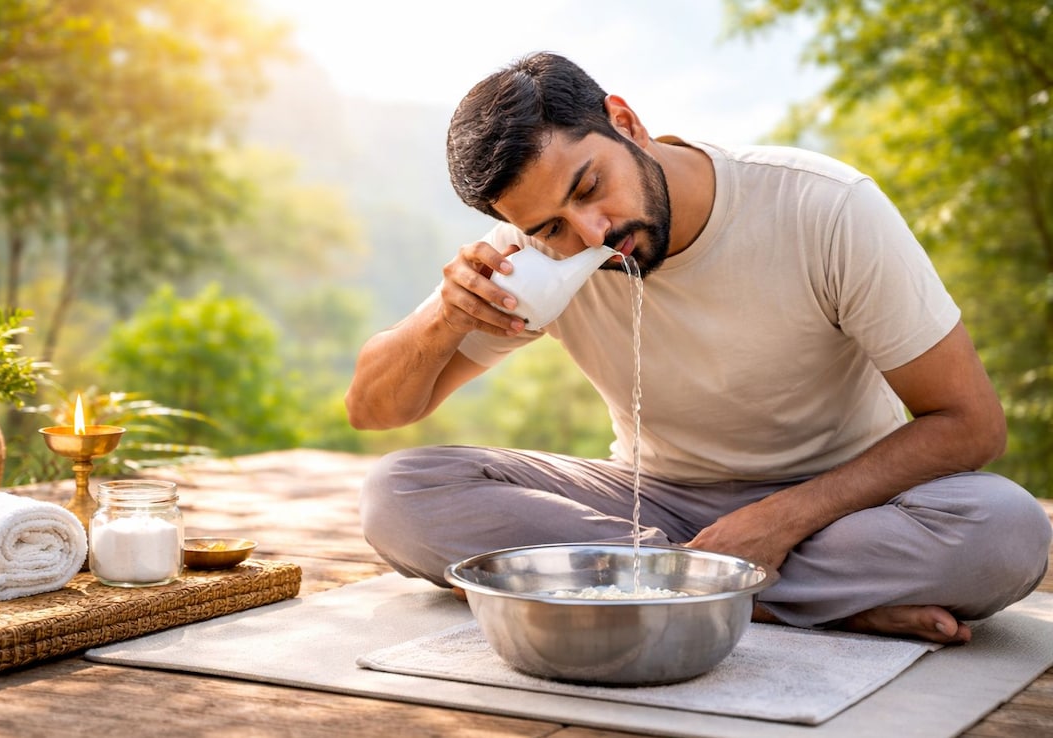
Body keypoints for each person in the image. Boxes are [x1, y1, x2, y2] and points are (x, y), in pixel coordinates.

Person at [344, 51, 1051, 644]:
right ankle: (766, 601)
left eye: (590, 186)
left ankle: (656, 588)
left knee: (1008, 531)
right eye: (550, 227)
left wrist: (779, 520)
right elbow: (374, 409)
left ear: (626, 122)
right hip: (649, 505)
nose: (591, 235)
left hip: (842, 509)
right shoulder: (535, 261)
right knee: (398, 494)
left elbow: (971, 423)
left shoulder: (822, 207)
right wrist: (443, 316)